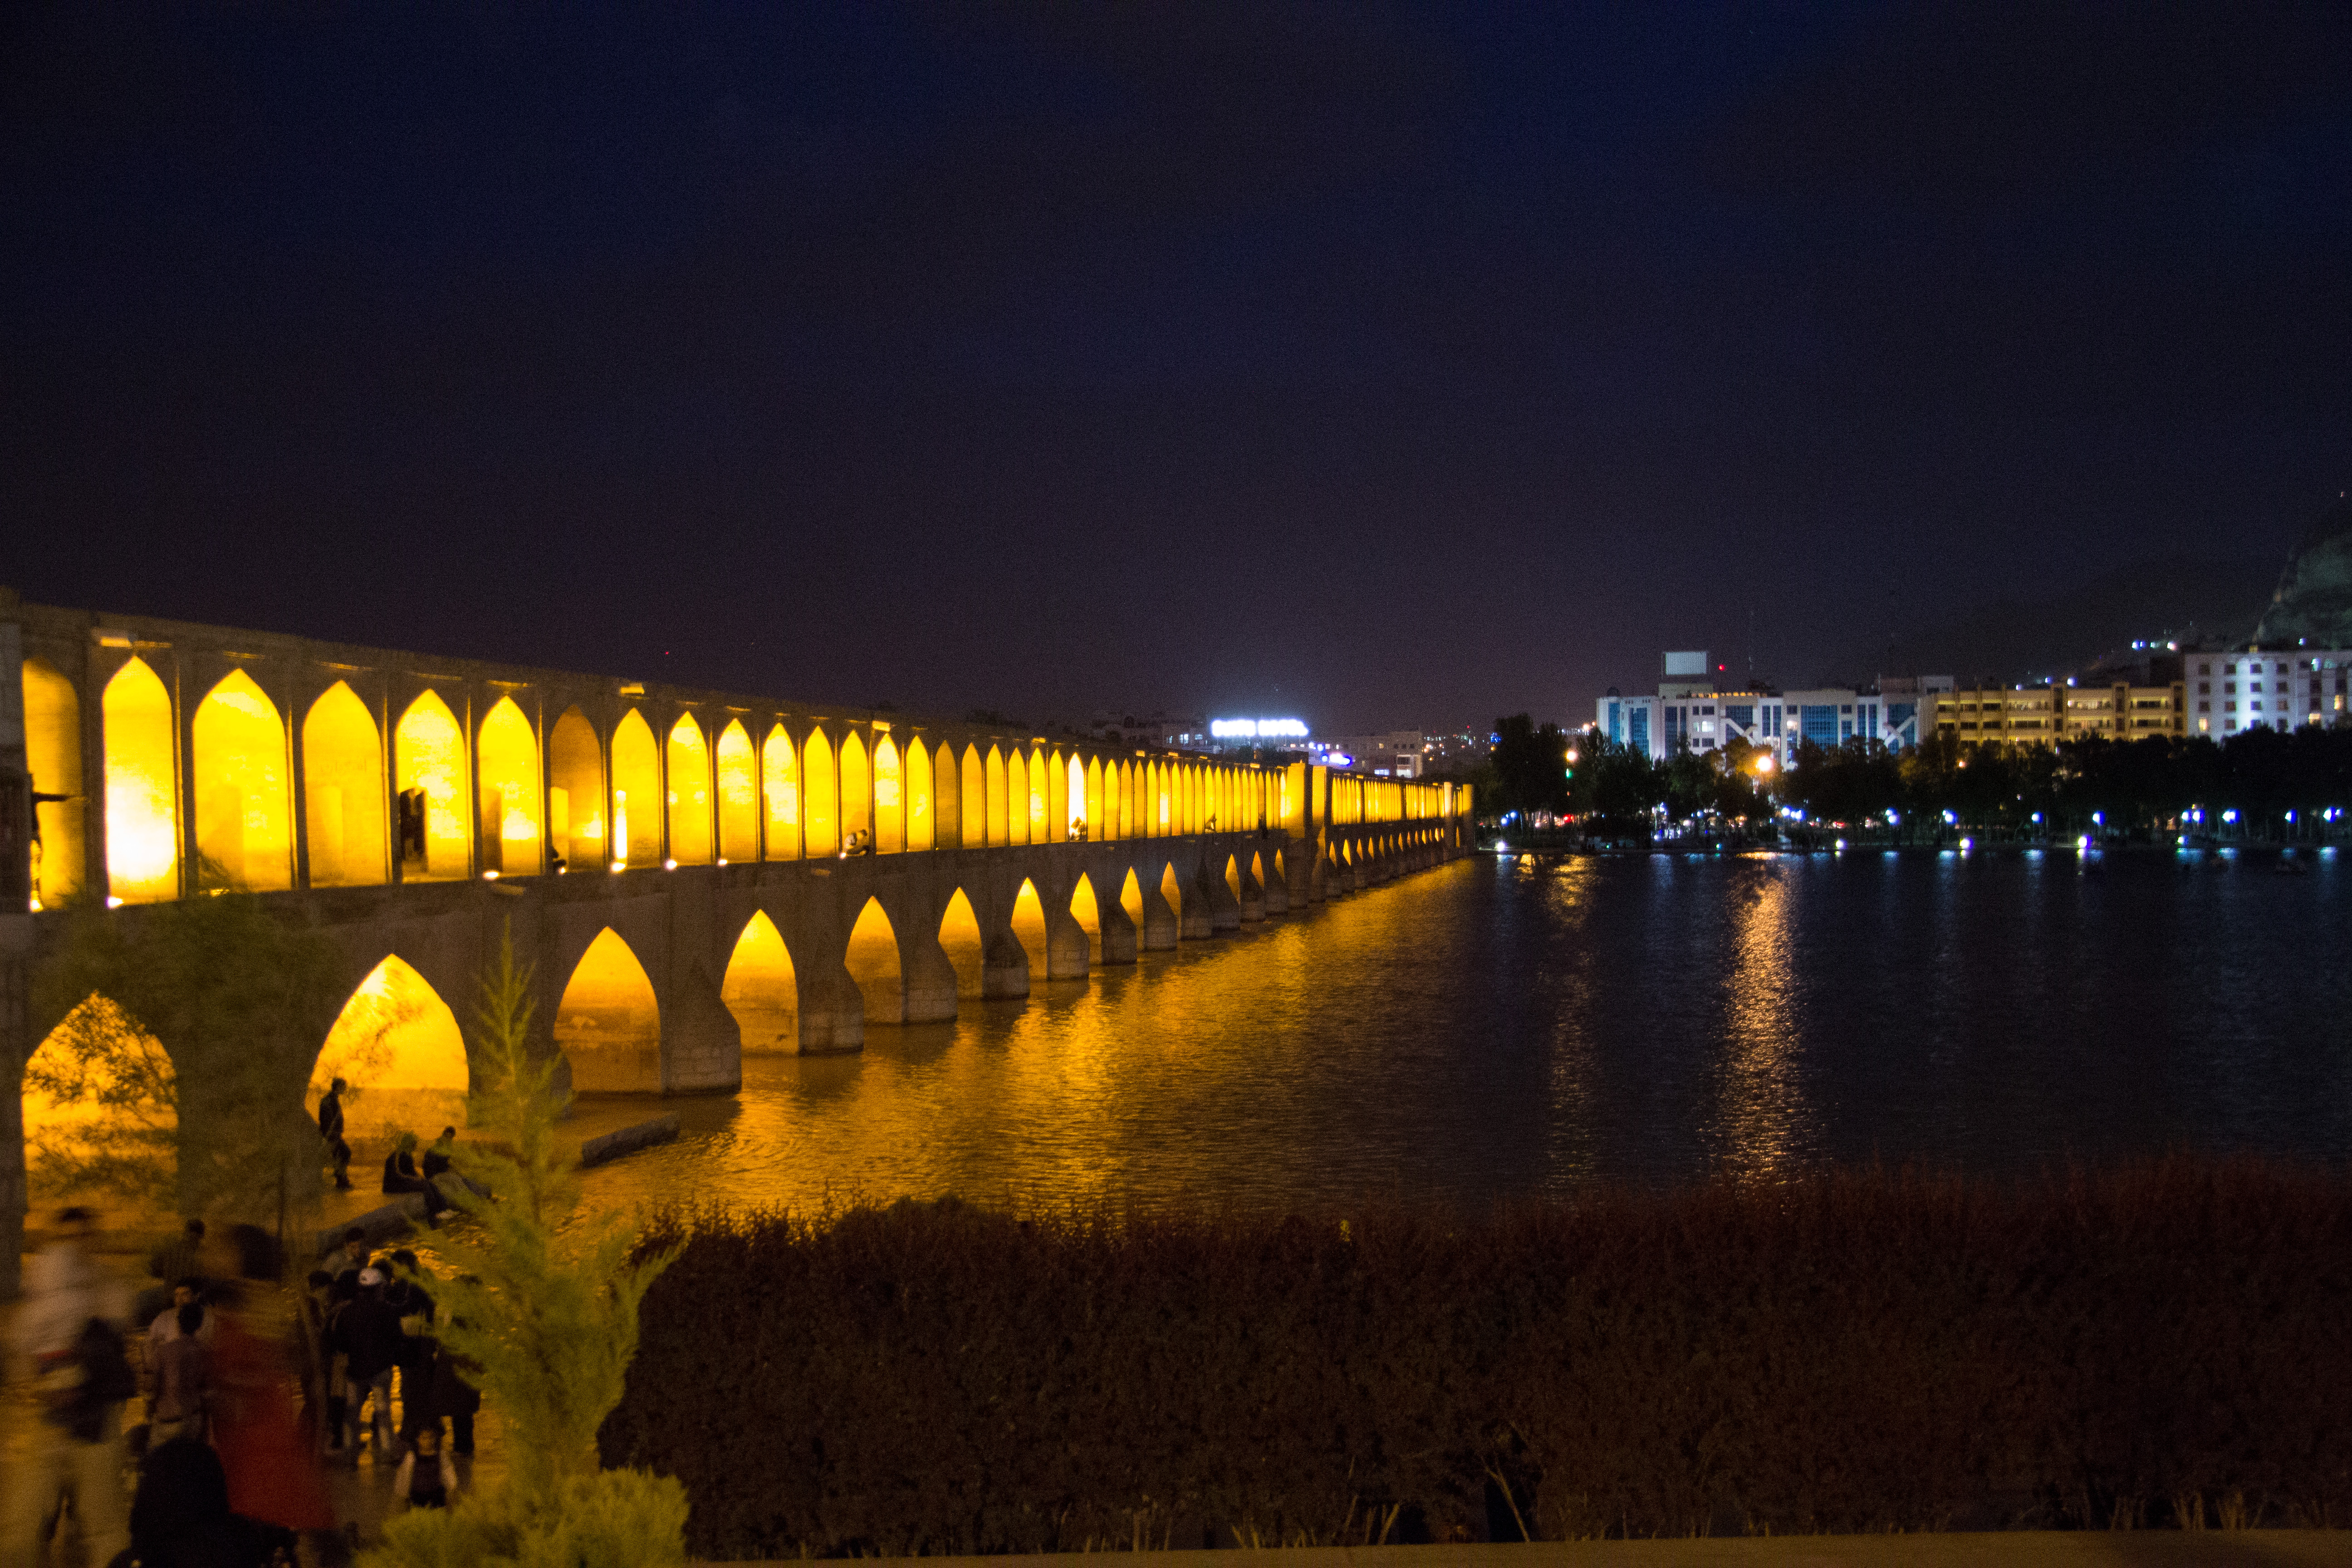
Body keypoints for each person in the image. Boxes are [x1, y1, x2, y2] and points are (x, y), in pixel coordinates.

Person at [7, 1206, 134, 1567]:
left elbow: (116, 1344)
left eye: (82, 1236)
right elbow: (22, 1349)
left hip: (96, 1427)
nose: (74, 1246)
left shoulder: (109, 1288)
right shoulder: (39, 1289)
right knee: (26, 1524)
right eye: (67, 1238)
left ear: (93, 1239)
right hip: (46, 1422)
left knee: (104, 1526)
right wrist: (36, 1384)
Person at [335, 1267, 406, 1460]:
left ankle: (349, 1456)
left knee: (351, 1413)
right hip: (381, 1368)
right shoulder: (388, 1311)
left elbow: (340, 1343)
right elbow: (397, 1338)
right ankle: (386, 1454)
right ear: (379, 1288)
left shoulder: (347, 1312)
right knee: (383, 1412)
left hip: (355, 1369)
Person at [149, 1302, 212, 1445]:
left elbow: (156, 1386)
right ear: (200, 1325)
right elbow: (206, 1389)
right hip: (192, 1418)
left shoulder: (164, 1351)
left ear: (178, 1323)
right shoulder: (204, 1352)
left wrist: (151, 1409)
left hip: (167, 1419)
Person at [393, 1423, 459, 1511]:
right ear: (418, 1439)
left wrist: (452, 1492)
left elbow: (449, 1474)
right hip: (418, 1497)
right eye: (424, 1438)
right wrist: (404, 1497)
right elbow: (405, 1477)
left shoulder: (441, 1455)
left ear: (435, 1439)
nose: (428, 1441)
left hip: (437, 1496)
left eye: (431, 1438)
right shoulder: (412, 1457)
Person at [318, 1077, 353, 1190]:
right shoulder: (330, 1100)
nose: (345, 1089)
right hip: (332, 1136)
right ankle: (341, 1178)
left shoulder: (331, 1099)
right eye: (343, 1087)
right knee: (345, 1153)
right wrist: (332, 1134)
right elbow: (327, 1121)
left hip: (334, 1135)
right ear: (338, 1087)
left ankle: (341, 1179)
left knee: (341, 1155)